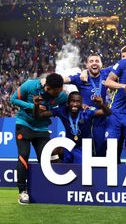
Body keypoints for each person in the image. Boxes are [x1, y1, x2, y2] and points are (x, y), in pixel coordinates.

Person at [10, 73, 68, 204]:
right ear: (47, 88)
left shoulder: (62, 96)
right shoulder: (30, 85)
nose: (59, 94)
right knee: (23, 155)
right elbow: (13, 100)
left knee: (45, 159)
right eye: (56, 91)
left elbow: (69, 104)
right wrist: (32, 106)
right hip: (24, 124)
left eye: (61, 90)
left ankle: (48, 190)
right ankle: (22, 192)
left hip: (42, 129)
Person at [35, 91, 111, 163]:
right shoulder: (62, 111)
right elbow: (40, 115)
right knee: (53, 151)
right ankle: (58, 169)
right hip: (68, 145)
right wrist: (36, 105)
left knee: (79, 169)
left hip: (84, 147)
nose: (75, 104)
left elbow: (108, 112)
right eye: (72, 101)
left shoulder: (86, 112)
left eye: (78, 101)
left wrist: (101, 104)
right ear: (68, 103)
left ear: (81, 103)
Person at [64, 53, 111, 156]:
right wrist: (48, 80)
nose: (94, 63)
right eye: (91, 61)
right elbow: (64, 79)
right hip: (85, 120)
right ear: (86, 65)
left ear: (102, 64)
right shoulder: (80, 77)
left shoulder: (106, 73)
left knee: (101, 151)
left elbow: (123, 64)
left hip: (101, 119)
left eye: (97, 61)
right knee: (85, 153)